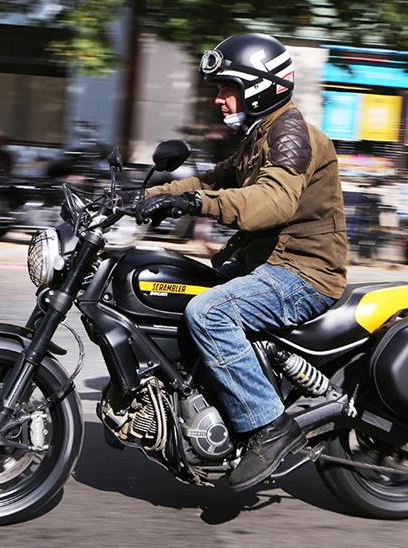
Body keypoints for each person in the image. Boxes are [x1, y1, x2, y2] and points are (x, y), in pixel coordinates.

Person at [134, 33, 348, 491]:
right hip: (266, 266)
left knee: (209, 311)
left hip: (303, 272)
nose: (218, 98)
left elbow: (271, 202)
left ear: (261, 86)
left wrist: (198, 205)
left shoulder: (291, 136)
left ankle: (269, 426)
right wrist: (138, 198)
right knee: (173, 282)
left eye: (226, 87)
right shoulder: (258, 138)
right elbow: (208, 180)